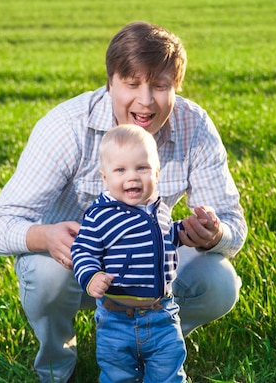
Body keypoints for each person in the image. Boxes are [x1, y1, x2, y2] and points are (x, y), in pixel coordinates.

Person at [0, 21, 248, 383]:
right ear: (110, 82)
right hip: (75, 265)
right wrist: (45, 237)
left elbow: (233, 222)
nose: (146, 100)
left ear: (176, 87)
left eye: (160, 85)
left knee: (218, 280)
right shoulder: (67, 126)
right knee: (44, 276)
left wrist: (215, 234)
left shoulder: (194, 125)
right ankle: (58, 367)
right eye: (132, 83)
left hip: (149, 272)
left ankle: (150, 344)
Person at [72, 124, 190, 382]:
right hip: (116, 319)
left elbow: (165, 240)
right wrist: (91, 276)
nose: (132, 177)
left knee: (169, 374)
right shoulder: (99, 215)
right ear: (105, 178)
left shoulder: (161, 210)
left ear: (157, 173)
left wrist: (184, 231)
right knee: (117, 375)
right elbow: (82, 250)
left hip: (163, 315)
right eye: (120, 170)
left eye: (142, 168)